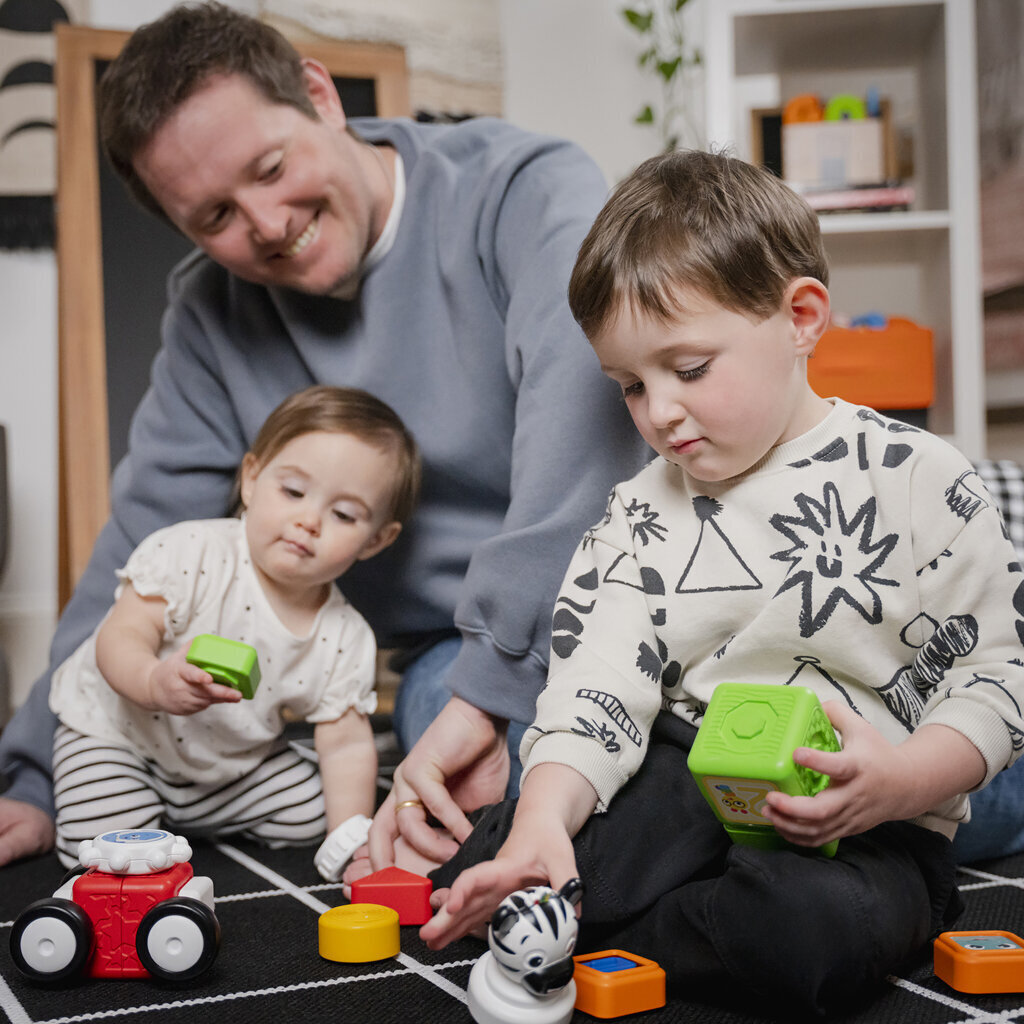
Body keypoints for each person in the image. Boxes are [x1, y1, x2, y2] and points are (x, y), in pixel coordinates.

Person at [0, 1, 646, 868]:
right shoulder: (210, 314)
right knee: (496, 820)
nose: (267, 223)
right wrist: (34, 774)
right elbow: (142, 541)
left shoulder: (521, 188)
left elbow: (582, 438)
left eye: (270, 166)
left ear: (319, 95)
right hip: (450, 661)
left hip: (623, 599)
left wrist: (501, 679)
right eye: (215, 218)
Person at [417, 150, 1024, 1016]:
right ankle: (559, 887)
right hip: (681, 776)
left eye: (689, 369)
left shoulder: (921, 478)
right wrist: (546, 816)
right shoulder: (639, 511)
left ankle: (590, 926)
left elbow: (997, 679)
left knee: (811, 935)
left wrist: (904, 779)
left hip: (865, 820)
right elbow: (599, 681)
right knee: (519, 848)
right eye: (631, 385)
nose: (659, 411)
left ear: (801, 317)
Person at [47, 385, 417, 873]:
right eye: (293, 491)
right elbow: (120, 639)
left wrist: (350, 839)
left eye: (343, 514)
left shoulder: (345, 635)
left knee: (312, 812)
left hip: (228, 762)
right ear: (251, 479)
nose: (308, 520)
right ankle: (147, 815)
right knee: (98, 848)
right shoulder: (190, 553)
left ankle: (181, 817)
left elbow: (346, 744)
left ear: (376, 540)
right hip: (119, 736)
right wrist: (154, 681)